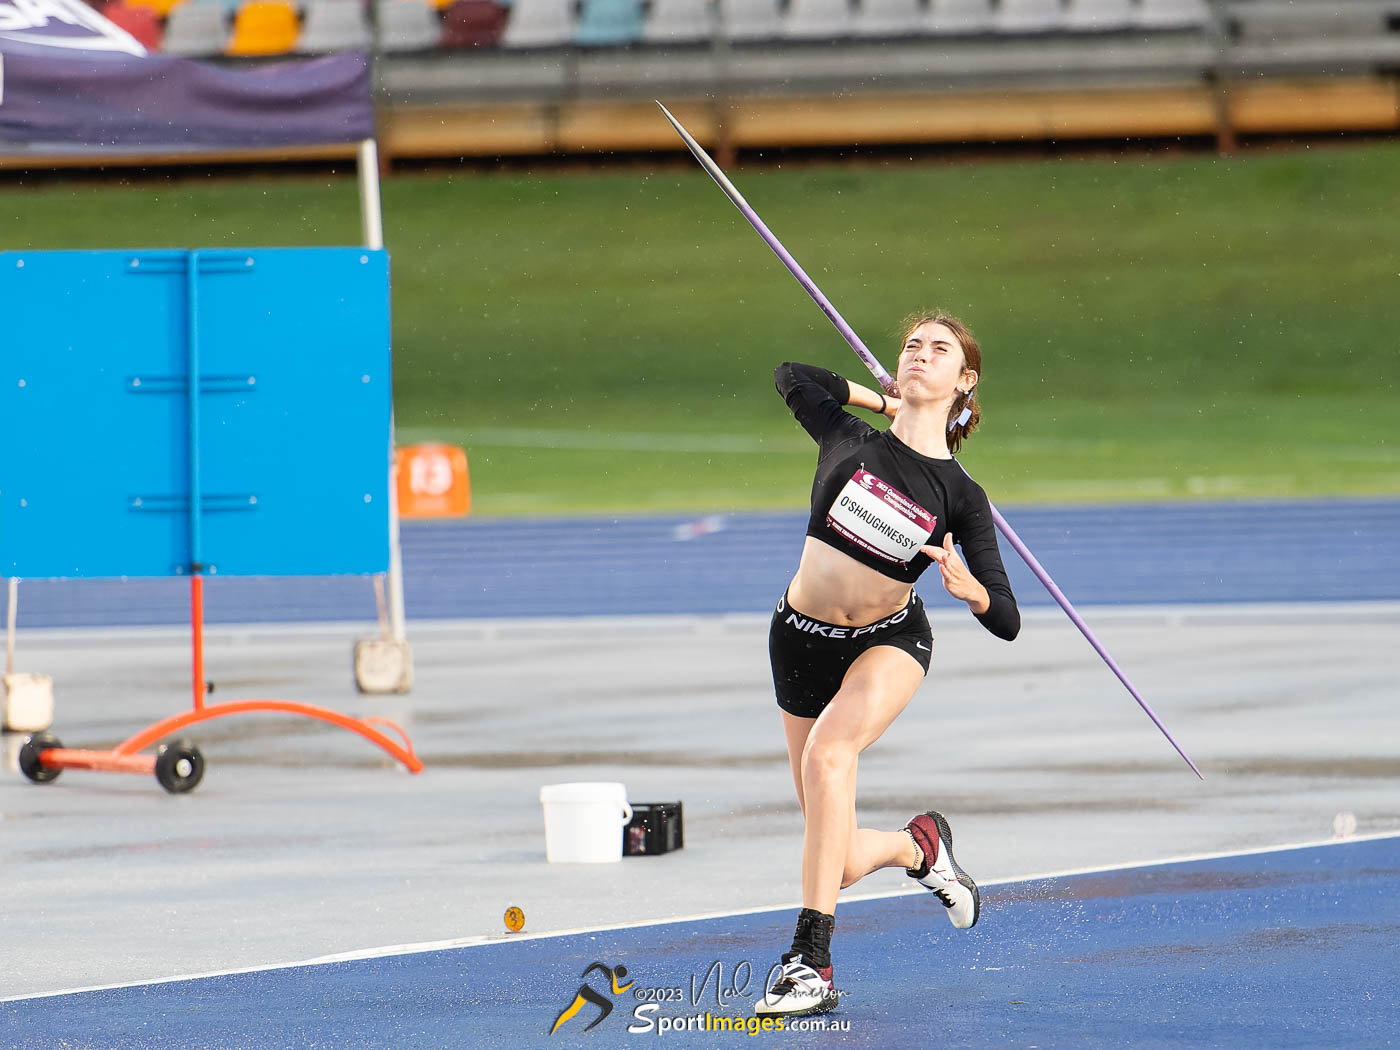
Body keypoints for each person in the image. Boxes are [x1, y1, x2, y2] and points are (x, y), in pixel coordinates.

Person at [755, 312, 1021, 1018]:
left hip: (888, 642)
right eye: (911, 346)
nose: (920, 355)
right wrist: (882, 399)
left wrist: (972, 593)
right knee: (836, 860)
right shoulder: (847, 437)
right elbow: (794, 377)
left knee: (827, 757)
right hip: (798, 640)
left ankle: (810, 962)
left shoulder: (961, 496)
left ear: (964, 382)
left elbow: (1008, 619)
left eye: (940, 350)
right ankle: (918, 848)